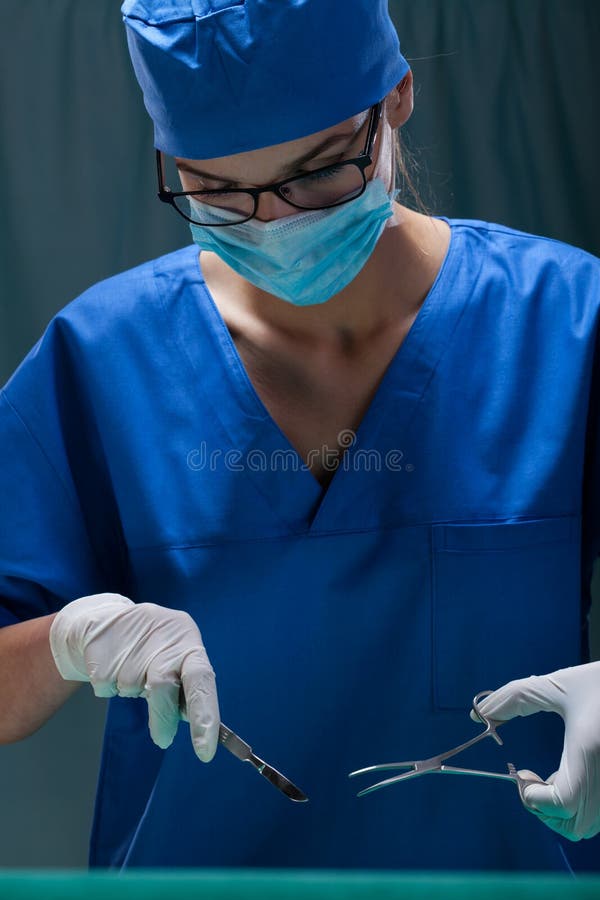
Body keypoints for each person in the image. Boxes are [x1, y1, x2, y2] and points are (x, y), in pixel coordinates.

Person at [0, 0, 599, 873]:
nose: (274, 225)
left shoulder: (568, 325)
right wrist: (65, 646)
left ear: (396, 98)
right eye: (216, 190)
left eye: (316, 174)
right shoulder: (104, 357)